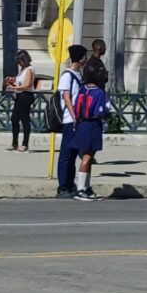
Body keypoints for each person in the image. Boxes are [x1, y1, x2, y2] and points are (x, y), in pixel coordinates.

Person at [70, 53, 111, 200]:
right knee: (87, 157)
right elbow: (99, 111)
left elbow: (76, 106)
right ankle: (81, 189)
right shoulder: (99, 93)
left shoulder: (82, 89)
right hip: (92, 125)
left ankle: (86, 187)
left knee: (88, 156)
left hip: (82, 124)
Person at [54, 42, 88, 198]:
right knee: (66, 154)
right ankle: (62, 187)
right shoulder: (67, 76)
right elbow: (66, 98)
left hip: (79, 120)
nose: (85, 59)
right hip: (70, 120)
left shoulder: (79, 75)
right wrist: (74, 116)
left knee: (73, 154)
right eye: (84, 56)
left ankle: (70, 183)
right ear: (79, 58)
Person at [4, 50, 39, 151]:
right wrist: (12, 80)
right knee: (14, 118)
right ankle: (14, 142)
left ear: (25, 59)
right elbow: (19, 81)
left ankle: (25, 144)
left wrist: (13, 88)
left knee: (24, 119)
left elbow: (27, 84)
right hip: (20, 95)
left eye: (20, 61)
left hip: (26, 96)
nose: (19, 63)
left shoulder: (29, 69)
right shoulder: (22, 70)